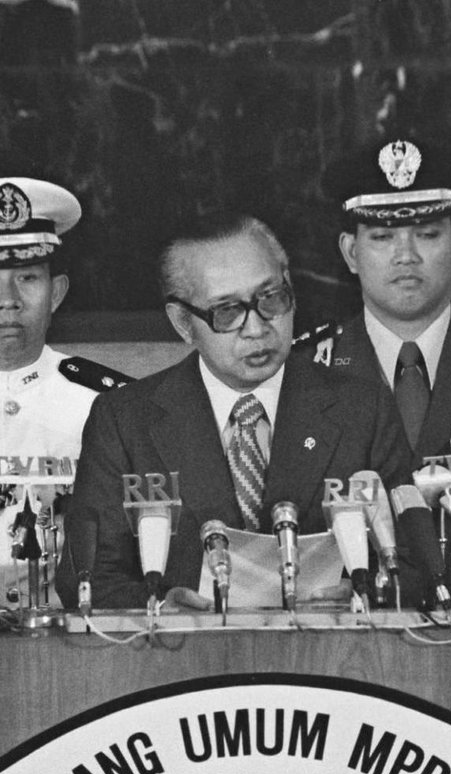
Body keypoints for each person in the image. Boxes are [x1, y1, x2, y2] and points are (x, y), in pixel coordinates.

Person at [56, 212, 412, 611]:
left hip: (331, 657)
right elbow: (85, 578)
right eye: (226, 311)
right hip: (184, 661)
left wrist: (368, 593)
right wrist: (160, 606)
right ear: (183, 323)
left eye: (271, 299)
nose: (257, 328)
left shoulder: (364, 409)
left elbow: (417, 561)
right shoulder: (124, 421)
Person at [296, 137, 451, 600]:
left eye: (427, 234)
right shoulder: (301, 372)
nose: (406, 255)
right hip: (349, 632)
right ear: (351, 253)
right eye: (381, 237)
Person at [0, 176, 131, 609]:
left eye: (28, 278)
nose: (8, 300)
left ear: (56, 293)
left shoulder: (109, 405)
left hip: (71, 633)